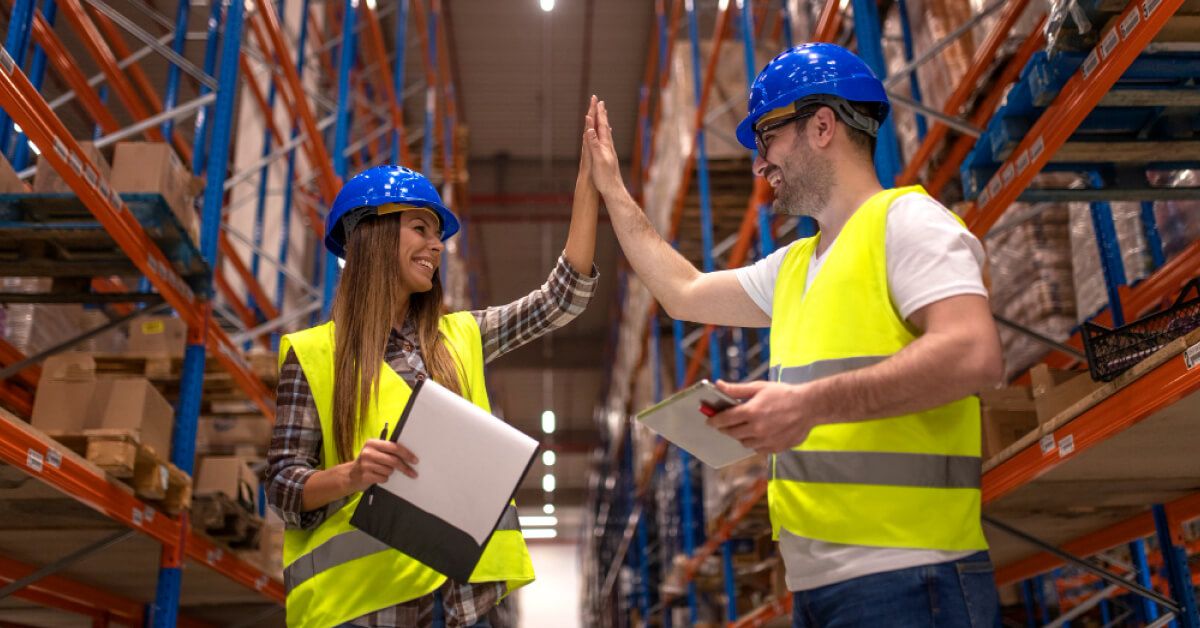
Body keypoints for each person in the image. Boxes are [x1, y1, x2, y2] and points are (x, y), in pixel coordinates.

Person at [584, 44, 1004, 626]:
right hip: (816, 587)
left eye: (768, 138)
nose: (760, 164)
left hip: (910, 575)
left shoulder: (907, 224)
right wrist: (612, 190)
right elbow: (682, 292)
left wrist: (806, 406)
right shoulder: (794, 267)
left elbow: (973, 352)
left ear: (823, 127)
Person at [267, 99, 602, 628]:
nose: (436, 245)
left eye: (437, 234)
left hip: (464, 605)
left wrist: (588, 188)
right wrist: (352, 475)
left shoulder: (459, 335)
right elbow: (284, 488)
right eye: (421, 228)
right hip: (368, 607)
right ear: (372, 236)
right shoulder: (313, 354)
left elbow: (560, 300)